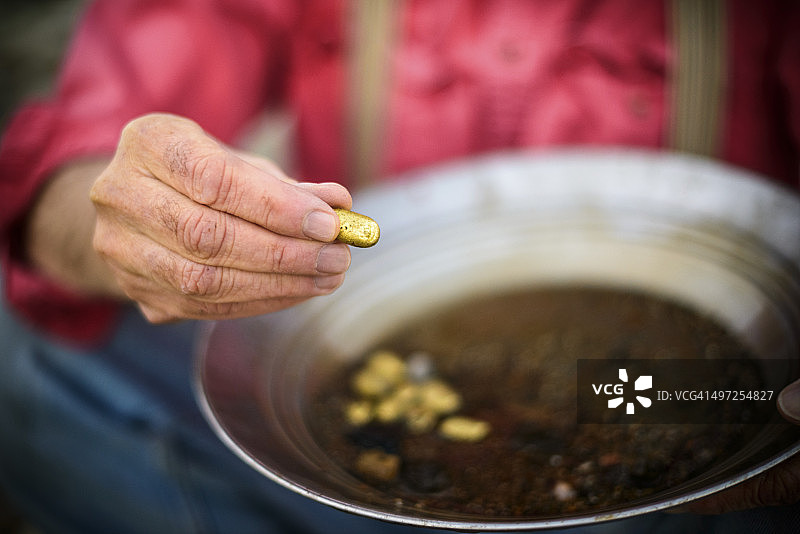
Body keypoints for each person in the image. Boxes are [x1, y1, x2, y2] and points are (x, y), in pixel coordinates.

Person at [0, 1, 798, 532]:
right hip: (373, 400)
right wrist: (130, 215)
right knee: (25, 357)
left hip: (693, 439)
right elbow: (78, 154)